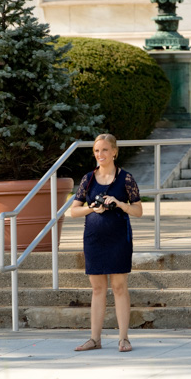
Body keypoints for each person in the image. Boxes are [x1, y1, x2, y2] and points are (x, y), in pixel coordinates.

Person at [70, 134, 143, 352]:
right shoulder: (88, 179)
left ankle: (123, 339)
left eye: (104, 150)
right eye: (96, 151)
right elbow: (73, 211)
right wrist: (92, 208)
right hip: (94, 239)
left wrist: (120, 204)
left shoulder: (126, 178)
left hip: (119, 238)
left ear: (114, 152)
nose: (100, 155)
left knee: (119, 287)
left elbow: (138, 210)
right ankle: (95, 339)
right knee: (97, 288)